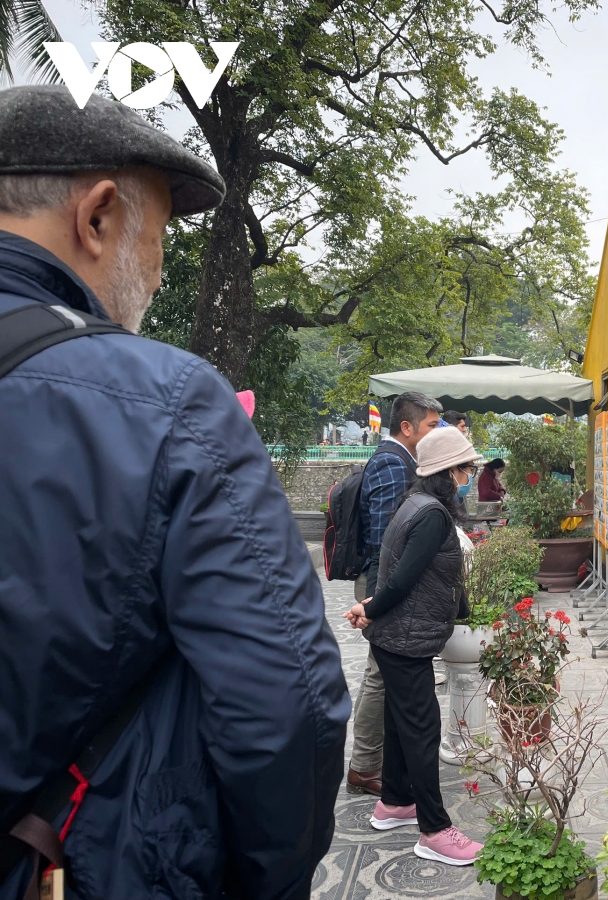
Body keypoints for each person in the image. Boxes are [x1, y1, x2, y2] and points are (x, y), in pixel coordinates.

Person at [0, 86, 349, 899]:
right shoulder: (167, 404)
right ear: (98, 216)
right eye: (154, 238)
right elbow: (286, 705)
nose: (155, 273)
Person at [343, 428, 485, 865]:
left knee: (401, 722)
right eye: (466, 469)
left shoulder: (414, 505)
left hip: (398, 636)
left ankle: (395, 802)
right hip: (405, 639)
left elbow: (400, 574)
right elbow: (402, 579)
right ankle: (434, 829)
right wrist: (373, 608)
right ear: (447, 472)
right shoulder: (433, 516)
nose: (469, 477)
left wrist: (371, 606)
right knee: (423, 730)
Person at [348, 391, 443, 796]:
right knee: (379, 675)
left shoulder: (404, 460)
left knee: (384, 674)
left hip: (386, 583)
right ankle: (365, 765)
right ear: (407, 427)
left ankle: (375, 759)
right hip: (381, 582)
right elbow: (388, 539)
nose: (436, 434)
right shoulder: (391, 463)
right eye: (431, 427)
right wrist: (378, 599)